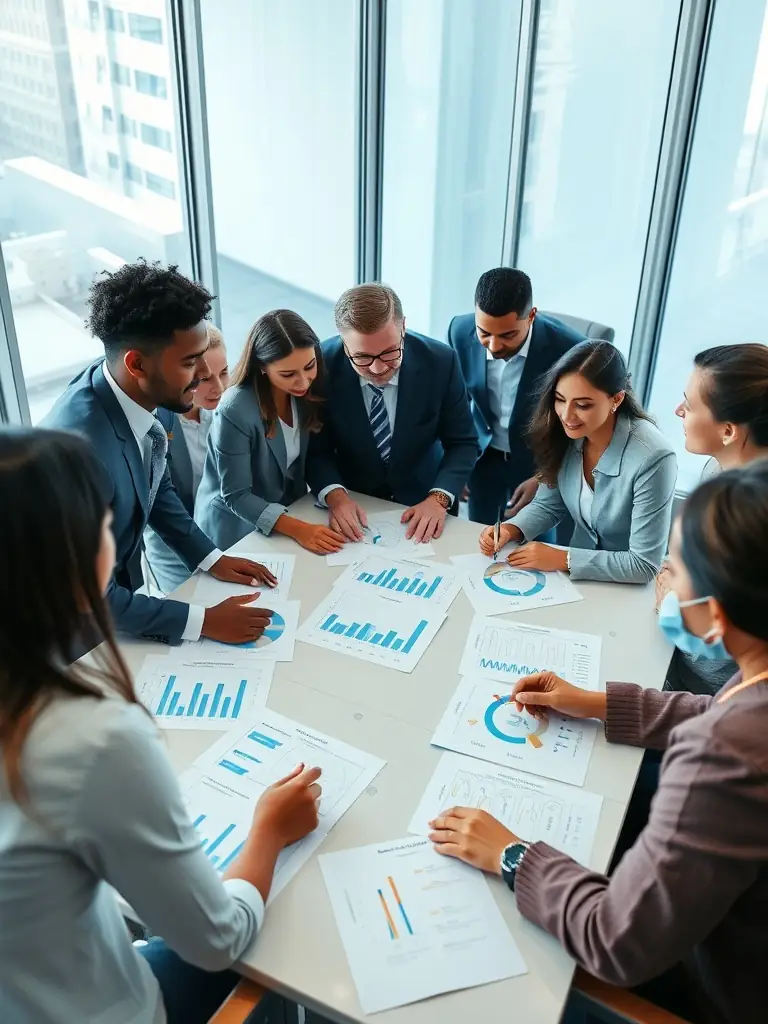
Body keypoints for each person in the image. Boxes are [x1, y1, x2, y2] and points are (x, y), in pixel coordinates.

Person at [0, 426, 323, 1024]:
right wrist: (269, 832)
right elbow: (215, 938)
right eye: (103, 522)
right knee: (293, 959)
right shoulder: (86, 737)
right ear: (69, 560)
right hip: (105, 1007)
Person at [430, 460, 768, 1024]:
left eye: (676, 571)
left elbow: (615, 940)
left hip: (719, 986)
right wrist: (595, 702)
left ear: (714, 616)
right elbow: (722, 707)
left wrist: (513, 855)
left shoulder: (723, 753)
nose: (664, 576)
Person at [43, 260, 277, 648]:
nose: (204, 376)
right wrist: (203, 621)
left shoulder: (131, 385)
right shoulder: (83, 455)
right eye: (190, 363)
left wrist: (211, 558)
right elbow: (88, 594)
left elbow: (155, 485)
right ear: (136, 363)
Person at [479, 340, 676, 583]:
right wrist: (511, 530)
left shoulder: (654, 457)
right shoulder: (564, 432)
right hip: (578, 581)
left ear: (616, 400)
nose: (566, 415)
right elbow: (547, 505)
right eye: (560, 399)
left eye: (583, 405)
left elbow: (644, 564)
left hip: (630, 589)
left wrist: (564, 559)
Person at [306, 283, 479, 544]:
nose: (377, 368)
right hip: (354, 504)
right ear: (343, 342)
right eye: (362, 357)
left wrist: (439, 499)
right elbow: (315, 450)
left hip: (426, 503)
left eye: (389, 353)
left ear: (404, 327)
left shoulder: (442, 361)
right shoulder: (321, 367)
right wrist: (336, 497)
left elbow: (462, 443)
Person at [656, 343, 768, 695]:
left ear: (729, 430)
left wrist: (672, 603)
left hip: (719, 690)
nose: (678, 411)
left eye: (689, 406)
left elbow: (745, 627)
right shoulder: (715, 467)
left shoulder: (755, 517)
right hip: (675, 656)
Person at [196, 310, 344, 555]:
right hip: (235, 527)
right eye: (288, 374)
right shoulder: (235, 410)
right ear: (262, 367)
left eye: (309, 366)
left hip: (286, 513)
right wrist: (300, 529)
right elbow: (237, 495)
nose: (303, 382)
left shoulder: (307, 393)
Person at [447, 267, 582, 525]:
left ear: (531, 316)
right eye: (484, 333)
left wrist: (546, 478)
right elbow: (457, 403)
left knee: (536, 543)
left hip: (539, 464)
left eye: (507, 335)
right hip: (483, 460)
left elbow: (582, 426)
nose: (495, 346)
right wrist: (456, 462)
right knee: (479, 538)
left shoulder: (570, 349)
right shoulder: (458, 330)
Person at [145, 324, 231, 592]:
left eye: (225, 373)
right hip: (171, 546)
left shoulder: (229, 411)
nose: (218, 387)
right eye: (205, 379)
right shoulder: (155, 423)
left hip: (223, 534)